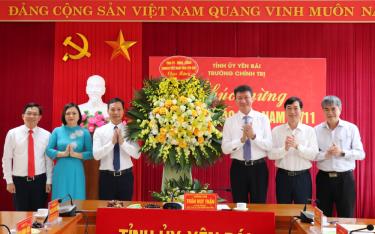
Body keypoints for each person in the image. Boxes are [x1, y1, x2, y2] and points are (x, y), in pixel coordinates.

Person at [315, 95, 365, 217]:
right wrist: (325, 154)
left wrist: (342, 152)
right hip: (324, 179)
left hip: (345, 179)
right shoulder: (316, 130)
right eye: (326, 109)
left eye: (333, 109)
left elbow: (361, 154)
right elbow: (313, 155)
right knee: (323, 217)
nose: (330, 112)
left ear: (340, 109)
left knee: (347, 216)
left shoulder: (351, 128)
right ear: (323, 111)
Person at [221, 85, 272, 203]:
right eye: (239, 98)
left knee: (259, 205)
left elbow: (269, 145)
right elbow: (225, 149)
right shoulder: (230, 121)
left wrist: (254, 137)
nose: (243, 101)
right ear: (235, 100)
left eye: (246, 97)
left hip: (258, 168)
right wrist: (241, 140)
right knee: (239, 205)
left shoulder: (263, 118)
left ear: (252, 98)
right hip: (238, 168)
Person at [2, 102, 53, 211]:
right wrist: (9, 181)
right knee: (21, 214)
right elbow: (6, 158)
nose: (31, 116)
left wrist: (49, 181)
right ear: (23, 116)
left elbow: (48, 160)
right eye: (28, 113)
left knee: (39, 215)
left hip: (40, 181)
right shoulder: (12, 133)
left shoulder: (47, 135)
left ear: (40, 117)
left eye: (35, 114)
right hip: (19, 182)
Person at [269, 96, 318, 204]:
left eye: (296, 108)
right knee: (283, 211)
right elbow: (271, 155)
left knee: (304, 212)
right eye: (289, 108)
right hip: (283, 177)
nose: (292, 112)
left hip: (303, 177)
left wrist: (297, 146)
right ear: (285, 111)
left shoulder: (309, 131)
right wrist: (285, 148)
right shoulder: (276, 131)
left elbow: (313, 155)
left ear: (301, 110)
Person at [93, 97, 141, 201]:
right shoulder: (99, 131)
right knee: (106, 210)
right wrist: (112, 143)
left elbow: (137, 154)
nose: (116, 112)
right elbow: (96, 155)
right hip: (106, 178)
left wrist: (123, 143)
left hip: (125, 177)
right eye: (113, 109)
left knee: (124, 212)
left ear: (123, 111)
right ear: (107, 111)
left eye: (119, 109)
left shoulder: (130, 130)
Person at [46, 103, 93, 201]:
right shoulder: (57, 131)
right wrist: (63, 154)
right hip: (61, 170)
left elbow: (90, 153)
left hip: (77, 169)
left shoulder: (85, 132)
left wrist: (75, 154)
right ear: (64, 115)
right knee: (60, 198)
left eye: (74, 113)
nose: (71, 116)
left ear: (79, 116)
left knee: (77, 198)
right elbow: (48, 150)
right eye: (68, 113)